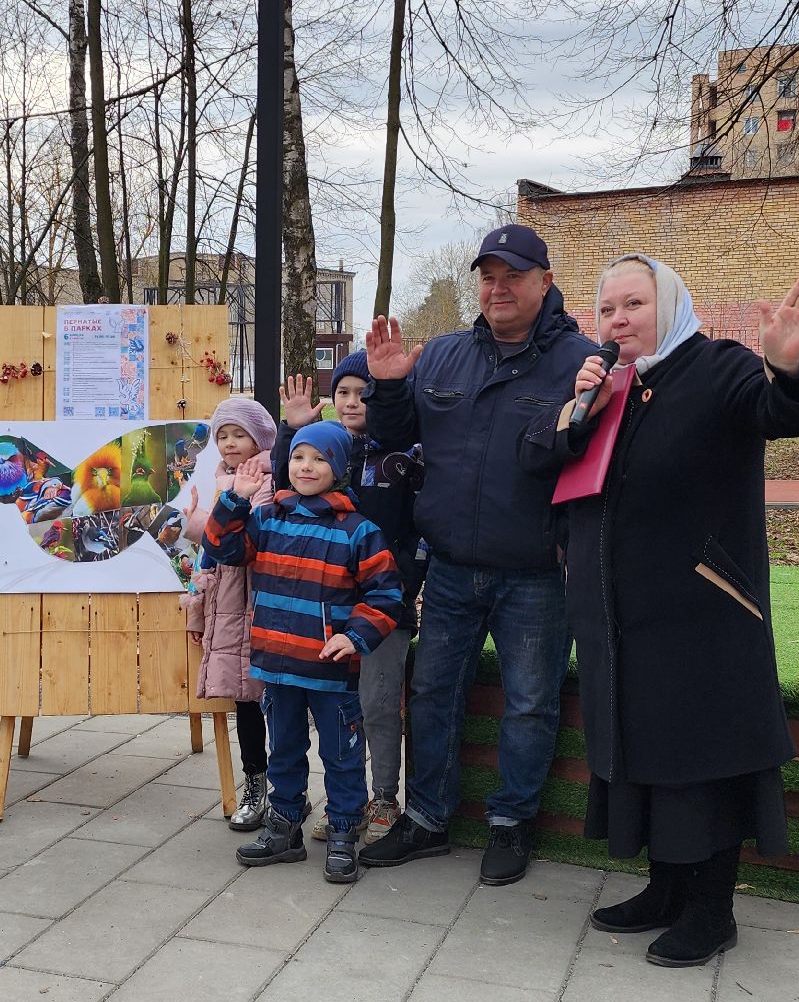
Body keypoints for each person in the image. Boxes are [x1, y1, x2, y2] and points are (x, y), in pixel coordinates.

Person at [520, 258, 799, 967]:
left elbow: (787, 411)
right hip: (620, 619)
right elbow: (539, 454)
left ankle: (710, 910)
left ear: (672, 304)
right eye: (606, 309)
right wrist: (580, 411)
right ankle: (664, 890)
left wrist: (788, 369)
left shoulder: (717, 365)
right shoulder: (609, 386)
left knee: (700, 758)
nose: (617, 319)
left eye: (634, 303)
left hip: (701, 614)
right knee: (646, 752)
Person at [359, 223, 598, 885]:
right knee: (433, 693)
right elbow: (394, 438)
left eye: (513, 276)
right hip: (452, 566)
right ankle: (428, 820)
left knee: (529, 702)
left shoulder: (580, 362)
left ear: (544, 283)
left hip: (537, 573)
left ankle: (511, 824)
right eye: (488, 276)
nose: (498, 288)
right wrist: (384, 387)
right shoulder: (442, 358)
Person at [205, 421, 406, 884]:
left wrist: (353, 637)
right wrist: (235, 498)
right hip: (277, 666)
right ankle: (284, 827)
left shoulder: (358, 531)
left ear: (337, 468)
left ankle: (341, 831)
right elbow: (222, 549)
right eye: (298, 457)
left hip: (330, 672)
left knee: (341, 755)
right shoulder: (269, 517)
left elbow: (386, 596)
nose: (306, 466)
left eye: (318, 458)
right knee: (285, 752)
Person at [275, 354, 424, 845]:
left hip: (380, 606)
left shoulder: (400, 451)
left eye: (365, 392)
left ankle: (382, 796)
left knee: (379, 704)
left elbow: (414, 522)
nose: (353, 401)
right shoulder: (320, 453)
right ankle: (347, 803)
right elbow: (287, 495)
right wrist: (291, 433)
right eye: (344, 392)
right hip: (323, 610)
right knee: (338, 713)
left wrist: (405, 581)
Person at [178, 396, 278, 831]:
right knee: (245, 702)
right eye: (222, 436)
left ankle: (290, 792)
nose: (231, 443)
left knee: (280, 704)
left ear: (260, 437)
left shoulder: (276, 479)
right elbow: (208, 561)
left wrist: (226, 511)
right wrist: (197, 614)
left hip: (264, 607)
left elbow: (255, 540)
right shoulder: (220, 480)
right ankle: (255, 784)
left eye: (239, 434)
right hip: (228, 612)